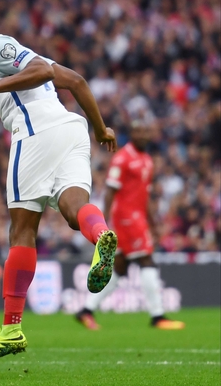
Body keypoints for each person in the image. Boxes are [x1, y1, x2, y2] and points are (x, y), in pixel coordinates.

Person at [0, 0, 119, 364]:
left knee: (21, 231)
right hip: (71, 129)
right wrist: (100, 128)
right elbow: (74, 80)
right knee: (72, 209)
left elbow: (40, 72)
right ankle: (101, 237)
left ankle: (11, 330)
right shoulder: (1, 53)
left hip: (35, 132)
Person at [76, 122, 185, 330]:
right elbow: (110, 191)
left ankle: (86, 310)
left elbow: (145, 196)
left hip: (139, 218)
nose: (143, 134)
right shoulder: (122, 158)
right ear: (132, 134)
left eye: (146, 130)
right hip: (126, 219)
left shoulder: (147, 160)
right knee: (146, 259)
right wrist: (104, 222)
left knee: (120, 267)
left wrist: (152, 224)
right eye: (138, 131)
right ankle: (158, 316)